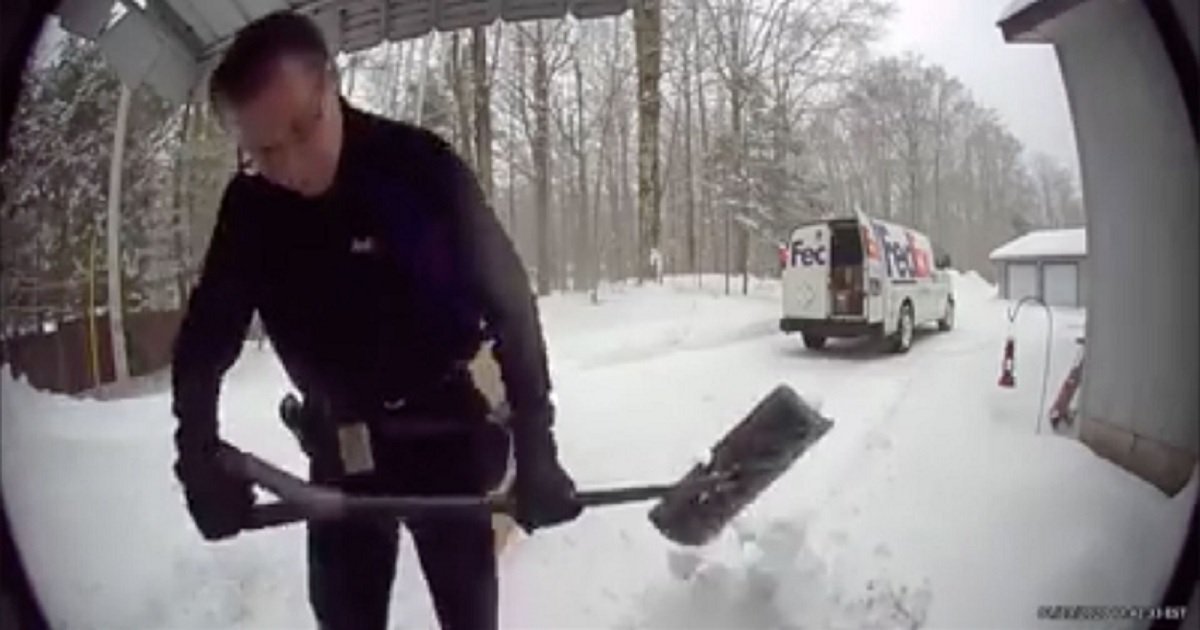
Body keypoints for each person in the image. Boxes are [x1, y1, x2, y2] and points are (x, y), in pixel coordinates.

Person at [170, 11, 582, 630]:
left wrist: (537, 443)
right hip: (339, 444)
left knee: (469, 615)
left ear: (332, 84)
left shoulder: (418, 168)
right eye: (264, 150)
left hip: (443, 431)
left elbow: (512, 308)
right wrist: (196, 453)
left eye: (304, 129)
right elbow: (206, 341)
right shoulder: (251, 208)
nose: (293, 165)